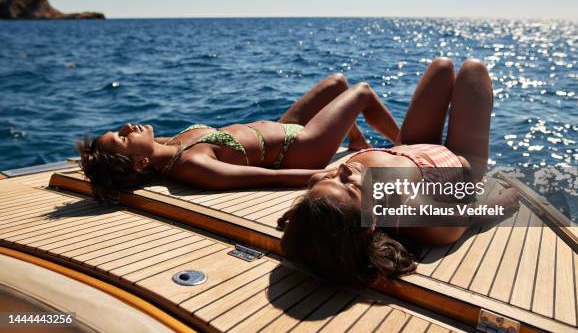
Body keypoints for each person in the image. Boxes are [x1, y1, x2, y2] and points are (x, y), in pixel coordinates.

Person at [278, 58, 520, 284]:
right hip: (457, 160)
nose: (340, 169)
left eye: (328, 178)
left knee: (441, 66)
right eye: (349, 185)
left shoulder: (323, 197)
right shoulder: (407, 210)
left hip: (410, 145)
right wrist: (504, 203)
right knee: (473, 69)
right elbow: (464, 220)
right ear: (371, 220)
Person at [78, 73, 399, 204]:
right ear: (141, 161)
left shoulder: (166, 145)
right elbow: (268, 177)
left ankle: (356, 140)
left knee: (337, 83)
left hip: (283, 127)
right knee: (362, 92)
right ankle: (406, 142)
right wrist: (328, 174)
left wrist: (96, 166)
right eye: (122, 137)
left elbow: (117, 168)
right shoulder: (192, 164)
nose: (128, 126)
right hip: (299, 149)